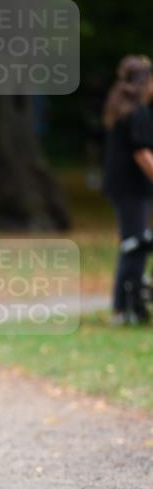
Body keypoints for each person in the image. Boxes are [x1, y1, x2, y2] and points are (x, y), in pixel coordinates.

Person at [102, 54, 153, 324]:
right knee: (136, 246)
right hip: (132, 189)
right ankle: (126, 308)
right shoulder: (137, 112)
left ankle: (124, 305)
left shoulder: (120, 108)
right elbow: (143, 153)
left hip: (121, 188)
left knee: (131, 245)